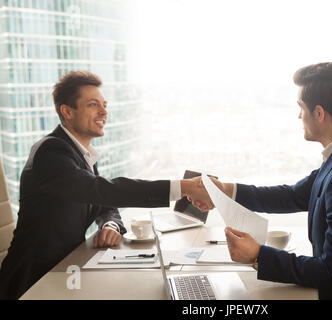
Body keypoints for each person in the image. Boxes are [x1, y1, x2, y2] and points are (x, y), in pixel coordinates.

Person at [194, 62, 332, 300]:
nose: (299, 115)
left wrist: (258, 255)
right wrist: (227, 191)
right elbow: (295, 195)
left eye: (301, 107)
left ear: (319, 114)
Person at [0, 71, 208, 300]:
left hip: (65, 273)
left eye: (104, 104)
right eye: (92, 105)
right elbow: (104, 190)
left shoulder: (79, 155)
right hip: (33, 282)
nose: (103, 112)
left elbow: (103, 201)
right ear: (67, 112)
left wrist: (110, 225)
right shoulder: (51, 153)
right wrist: (181, 187)